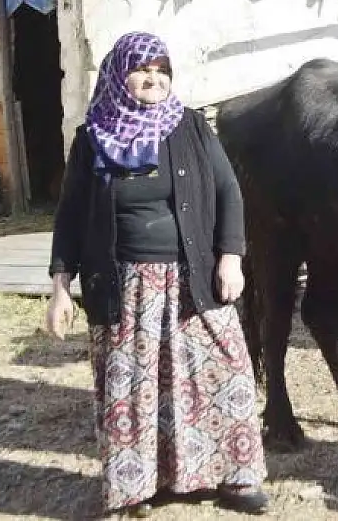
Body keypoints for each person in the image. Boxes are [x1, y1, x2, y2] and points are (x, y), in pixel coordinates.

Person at [44, 31, 269, 518]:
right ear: (119, 75)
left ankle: (236, 477)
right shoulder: (92, 137)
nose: (152, 78)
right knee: (132, 389)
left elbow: (229, 191)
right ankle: (134, 488)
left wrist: (231, 256)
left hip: (193, 278)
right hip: (124, 283)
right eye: (142, 69)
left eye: (161, 70)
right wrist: (60, 287)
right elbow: (70, 215)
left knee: (226, 370)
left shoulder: (190, 127)